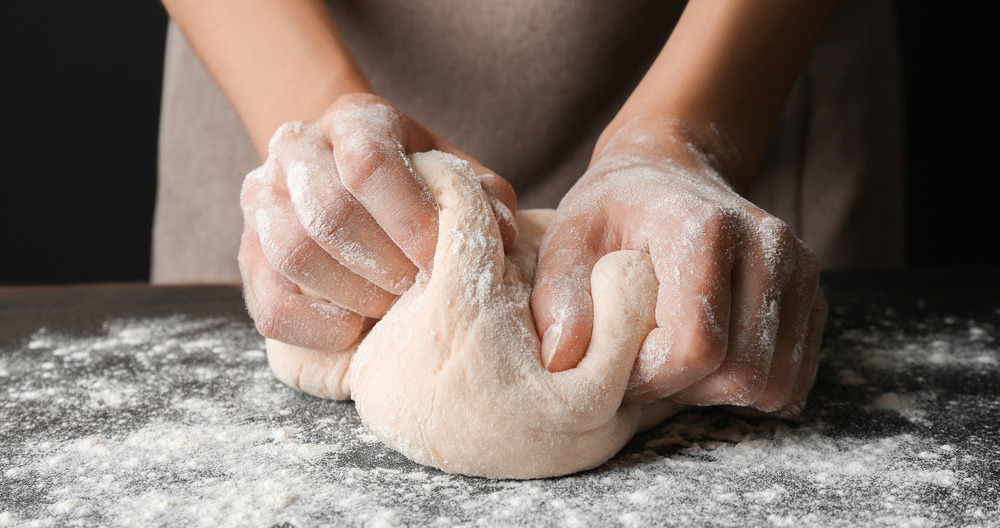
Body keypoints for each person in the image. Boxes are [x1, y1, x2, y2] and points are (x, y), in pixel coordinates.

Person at [154, 0, 905, 415]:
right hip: (274, 52)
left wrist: (687, 133)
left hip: (735, 68)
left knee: (718, 335)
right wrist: (316, 126)